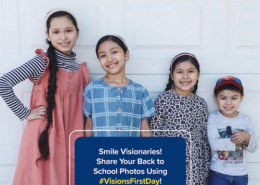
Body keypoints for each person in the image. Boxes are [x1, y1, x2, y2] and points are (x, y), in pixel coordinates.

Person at [0, 8, 89, 185]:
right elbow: (4, 83)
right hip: (43, 136)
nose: (63, 37)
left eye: (68, 30)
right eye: (56, 32)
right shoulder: (42, 62)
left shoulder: (82, 72)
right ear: (47, 35)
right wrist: (26, 114)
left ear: (77, 33)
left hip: (71, 136)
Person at [149, 53, 210, 185]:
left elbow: (204, 137)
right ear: (172, 75)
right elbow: (154, 133)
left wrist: (204, 168)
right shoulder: (163, 99)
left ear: (198, 74)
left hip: (194, 167)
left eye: (191, 71)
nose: (185, 76)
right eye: (180, 72)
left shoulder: (201, 104)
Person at [83, 35, 155, 137]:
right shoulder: (91, 89)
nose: (109, 59)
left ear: (126, 55)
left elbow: (145, 131)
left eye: (114, 52)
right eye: (103, 55)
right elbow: (89, 127)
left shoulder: (140, 91)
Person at [207, 76, 258, 185]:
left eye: (234, 98)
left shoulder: (246, 120)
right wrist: (237, 141)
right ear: (215, 98)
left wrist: (247, 137)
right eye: (223, 98)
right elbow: (214, 144)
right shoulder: (212, 118)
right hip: (218, 172)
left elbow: (253, 148)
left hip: (241, 174)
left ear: (241, 98)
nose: (228, 103)